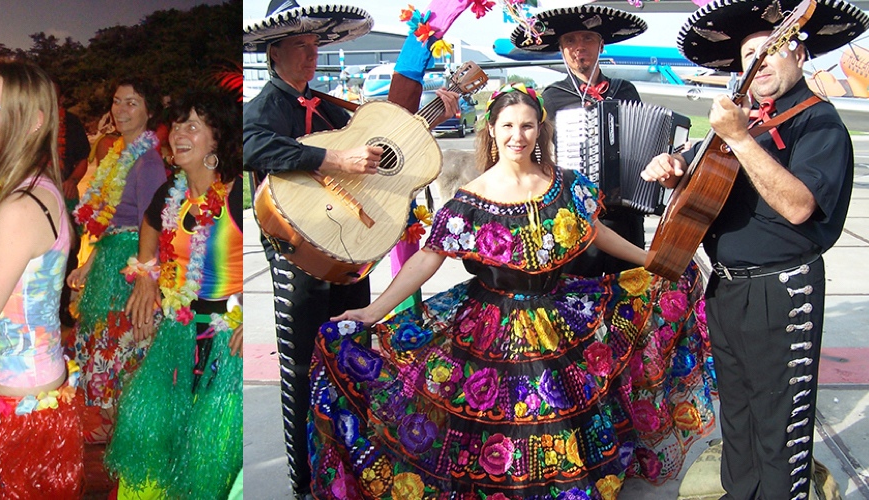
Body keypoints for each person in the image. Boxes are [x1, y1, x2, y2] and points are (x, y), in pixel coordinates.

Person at [310, 84, 715, 498]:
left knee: (555, 422)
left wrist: (647, 260)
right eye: (507, 125)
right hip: (490, 329)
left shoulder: (567, 185)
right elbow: (428, 258)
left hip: (558, 321)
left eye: (526, 126)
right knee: (499, 432)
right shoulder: (470, 199)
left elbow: (596, 232)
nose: (517, 136)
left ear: (541, 130)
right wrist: (372, 311)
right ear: (491, 128)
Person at [642, 0, 867, 497]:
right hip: (727, 289)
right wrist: (672, 165)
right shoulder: (751, 122)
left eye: (771, 50)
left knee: (780, 421)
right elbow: (707, 174)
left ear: (800, 54)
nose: (758, 62)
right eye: (748, 54)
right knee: (738, 414)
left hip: (782, 291)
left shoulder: (820, 123)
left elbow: (798, 207)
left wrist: (739, 139)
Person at [243, 1, 458, 495]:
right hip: (297, 258)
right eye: (300, 45)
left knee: (352, 357)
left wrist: (434, 115)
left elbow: (388, 141)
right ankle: (304, 482)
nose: (311, 54)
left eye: (315, 44)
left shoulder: (330, 105)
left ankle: (349, 468)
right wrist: (333, 157)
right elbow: (253, 146)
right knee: (300, 370)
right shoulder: (266, 106)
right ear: (275, 52)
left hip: (349, 252)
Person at [108, 88, 243, 500]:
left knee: (206, 458)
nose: (179, 134)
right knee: (154, 445)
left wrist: (253, 315)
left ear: (217, 140)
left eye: (194, 125)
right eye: (178, 124)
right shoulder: (173, 192)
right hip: (177, 335)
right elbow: (150, 222)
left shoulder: (237, 193)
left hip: (225, 342)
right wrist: (146, 273)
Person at [0, 57, 82, 499]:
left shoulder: (21, 208)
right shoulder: (20, 189)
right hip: (0, 401)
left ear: (33, 120)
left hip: (19, 419)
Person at [511, 4, 648, 277]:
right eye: (570, 41)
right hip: (576, 219)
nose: (579, 47)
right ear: (561, 50)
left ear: (601, 45)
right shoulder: (551, 97)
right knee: (579, 302)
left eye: (587, 38)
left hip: (626, 217)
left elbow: (643, 142)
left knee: (629, 299)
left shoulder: (625, 90)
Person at [66, 78, 167, 443]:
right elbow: (110, 223)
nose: (121, 110)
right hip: (110, 260)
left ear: (149, 111)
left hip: (130, 267)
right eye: (117, 102)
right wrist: (89, 263)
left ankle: (124, 430)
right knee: (103, 342)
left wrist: (147, 281)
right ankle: (110, 422)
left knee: (122, 347)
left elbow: (150, 226)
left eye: (132, 103)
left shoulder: (148, 162)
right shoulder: (120, 156)